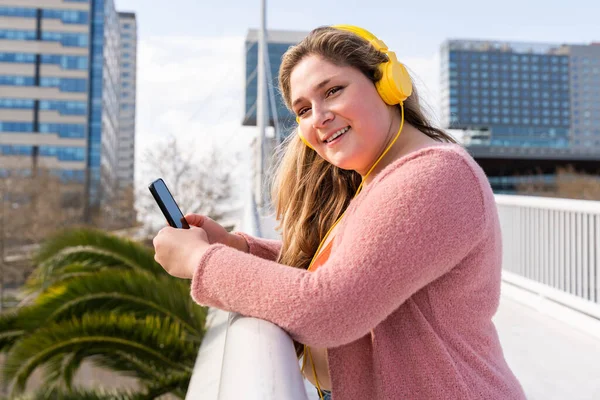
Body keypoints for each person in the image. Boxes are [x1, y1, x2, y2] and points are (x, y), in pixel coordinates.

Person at [153, 25, 527, 400]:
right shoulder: (383, 178)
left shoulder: (433, 176)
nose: (318, 116)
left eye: (333, 91)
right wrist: (239, 247)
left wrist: (201, 260)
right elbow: (351, 270)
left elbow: (330, 309)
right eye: (303, 110)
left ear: (386, 84)